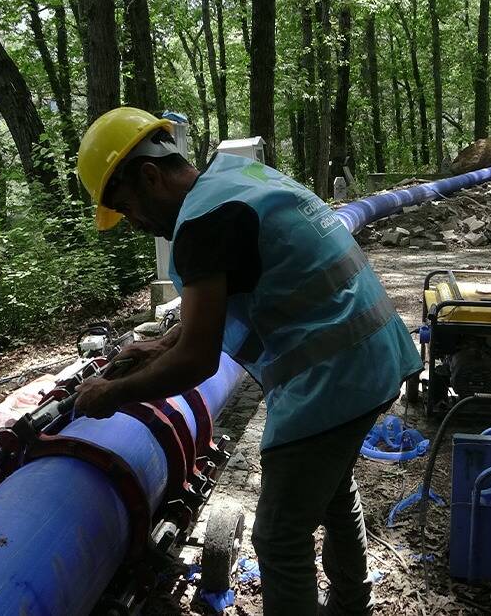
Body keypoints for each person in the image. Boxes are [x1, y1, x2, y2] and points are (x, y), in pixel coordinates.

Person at [72, 107, 422, 615]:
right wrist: (160, 344)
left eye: (128, 208)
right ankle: (352, 605)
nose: (135, 223)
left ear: (150, 176)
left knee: (279, 537)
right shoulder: (236, 178)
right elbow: (226, 305)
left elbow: (197, 361)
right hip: (375, 355)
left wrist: (113, 393)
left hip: (333, 379)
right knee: (332, 491)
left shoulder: (201, 224)